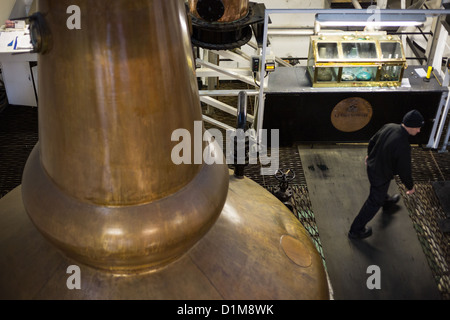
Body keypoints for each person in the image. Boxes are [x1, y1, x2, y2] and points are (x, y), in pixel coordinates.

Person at [348, 109, 424, 239]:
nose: (419, 131)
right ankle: (355, 230)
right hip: (380, 174)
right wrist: (410, 187)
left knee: (380, 189)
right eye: (417, 128)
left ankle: (387, 202)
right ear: (411, 126)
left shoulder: (389, 126)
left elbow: (372, 141)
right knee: (373, 202)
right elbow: (404, 170)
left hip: (374, 167)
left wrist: (369, 155)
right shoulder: (403, 145)